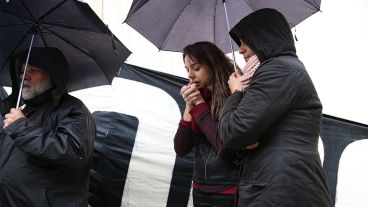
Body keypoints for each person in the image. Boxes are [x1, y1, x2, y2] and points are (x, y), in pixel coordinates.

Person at [218, 8, 332, 206]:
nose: (240, 49)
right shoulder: (280, 70)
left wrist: (235, 92)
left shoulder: (278, 70)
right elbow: (246, 136)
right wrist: (247, 140)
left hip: (280, 190)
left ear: (263, 37)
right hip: (280, 186)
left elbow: (233, 131)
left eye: (245, 40)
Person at [0, 47, 96, 207]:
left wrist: (21, 127)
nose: (24, 75)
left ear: (53, 76)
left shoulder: (73, 109)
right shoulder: (24, 111)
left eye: (33, 69)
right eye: (22, 70)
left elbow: (73, 152)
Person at [173, 41, 240, 207]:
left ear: (212, 65)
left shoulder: (233, 95)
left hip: (229, 189)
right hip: (200, 187)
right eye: (187, 69)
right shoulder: (198, 97)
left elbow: (223, 145)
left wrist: (199, 103)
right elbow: (181, 148)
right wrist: (189, 106)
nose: (190, 75)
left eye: (196, 68)